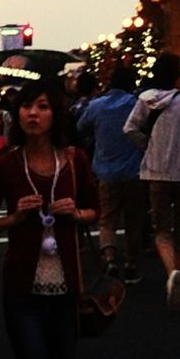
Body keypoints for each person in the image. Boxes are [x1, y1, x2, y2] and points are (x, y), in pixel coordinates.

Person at [0, 81, 99, 359]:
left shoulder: (74, 159)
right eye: (26, 106)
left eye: (42, 107)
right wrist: (14, 218)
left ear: (55, 115)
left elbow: (96, 210)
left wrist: (77, 214)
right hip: (21, 288)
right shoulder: (5, 167)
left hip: (67, 289)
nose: (33, 114)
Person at [123, 52, 180, 310]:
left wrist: (148, 144)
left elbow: (129, 128)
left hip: (155, 171)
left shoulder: (145, 100)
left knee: (161, 227)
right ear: (176, 75)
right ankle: (179, 275)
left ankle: (171, 273)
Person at [75, 64, 146, 283]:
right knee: (134, 220)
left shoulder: (96, 106)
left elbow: (80, 127)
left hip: (106, 170)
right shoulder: (137, 105)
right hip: (134, 171)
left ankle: (110, 259)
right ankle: (132, 264)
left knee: (107, 218)